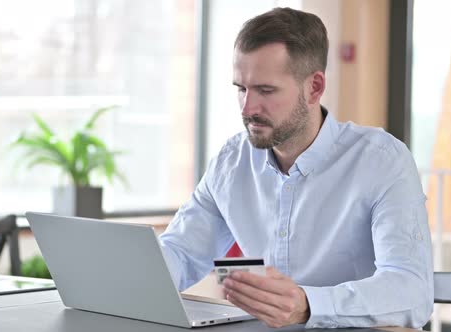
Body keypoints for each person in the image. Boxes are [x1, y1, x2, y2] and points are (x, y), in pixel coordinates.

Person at [158, 7, 433, 329]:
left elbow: (412, 292)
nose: (248, 108)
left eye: (266, 90)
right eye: (241, 89)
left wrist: (307, 304)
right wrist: (123, 280)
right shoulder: (231, 161)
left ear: (314, 87)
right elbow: (180, 252)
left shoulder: (381, 160)